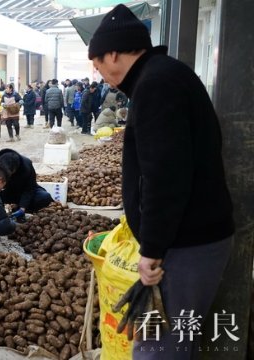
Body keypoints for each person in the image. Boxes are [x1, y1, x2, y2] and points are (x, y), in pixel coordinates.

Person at [88, 5, 234, 359]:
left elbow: (165, 176)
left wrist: (151, 249)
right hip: (191, 239)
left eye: (97, 64)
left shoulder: (156, 86)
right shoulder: (165, 76)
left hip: (185, 246)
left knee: (159, 348)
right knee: (170, 342)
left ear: (113, 53)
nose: (99, 73)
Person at [0, 149, 53, 221]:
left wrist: (23, 207)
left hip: (23, 192)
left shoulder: (26, 165)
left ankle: (20, 210)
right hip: (6, 193)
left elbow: (30, 188)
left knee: (44, 197)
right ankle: (8, 212)